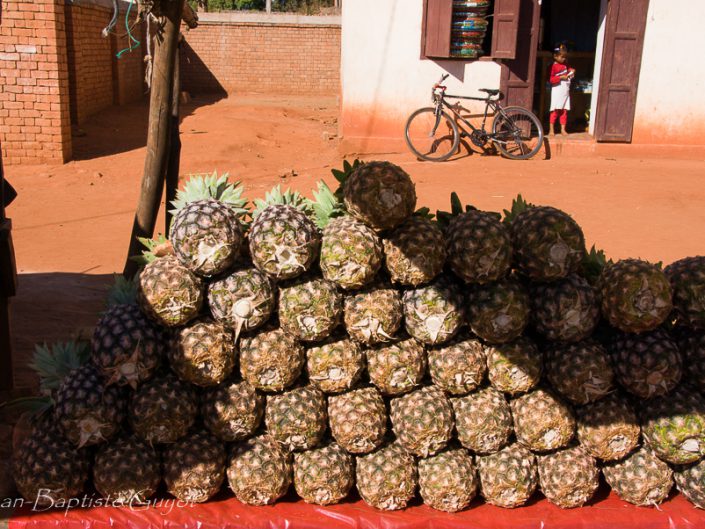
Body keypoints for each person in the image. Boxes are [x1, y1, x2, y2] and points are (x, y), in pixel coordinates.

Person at [548, 44, 575, 136]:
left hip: (565, 91)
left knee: (564, 111)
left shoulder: (565, 64)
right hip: (557, 91)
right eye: (562, 57)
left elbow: (569, 69)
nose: (564, 59)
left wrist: (572, 71)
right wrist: (560, 77)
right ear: (555, 56)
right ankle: (551, 130)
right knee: (555, 111)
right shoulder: (553, 66)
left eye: (565, 57)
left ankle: (563, 129)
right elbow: (551, 79)